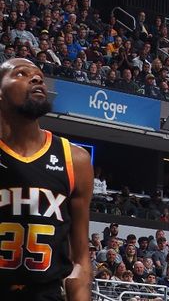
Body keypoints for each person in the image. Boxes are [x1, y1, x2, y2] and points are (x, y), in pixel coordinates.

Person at [0, 58, 93, 300]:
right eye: (21, 74)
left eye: (39, 75)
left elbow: (81, 259)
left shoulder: (76, 159)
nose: (36, 78)